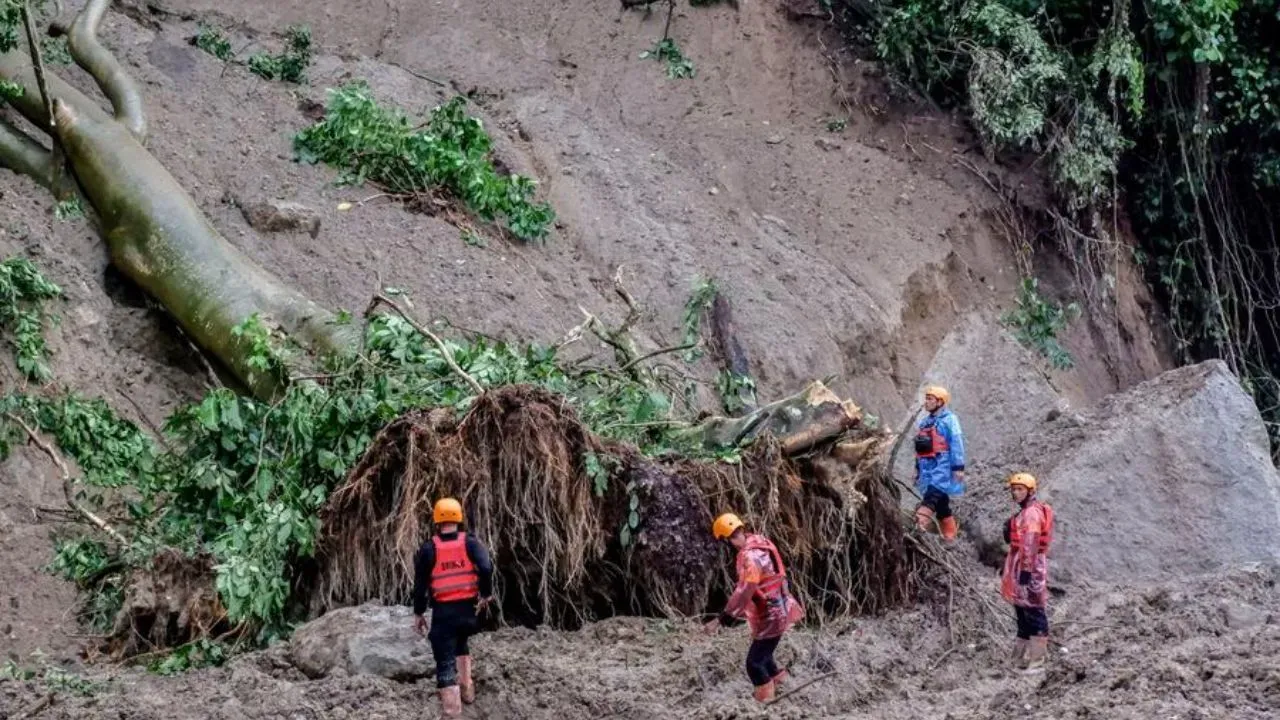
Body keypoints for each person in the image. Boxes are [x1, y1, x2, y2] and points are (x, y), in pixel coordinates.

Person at [703, 512, 804, 703]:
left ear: (726, 539)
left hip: (771, 614)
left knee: (754, 663)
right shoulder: (760, 542)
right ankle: (787, 693)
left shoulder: (749, 558)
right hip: (780, 608)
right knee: (765, 658)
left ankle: (764, 704)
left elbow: (744, 591)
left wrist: (721, 619)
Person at [412, 497, 495, 717]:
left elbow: (420, 586)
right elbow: (486, 567)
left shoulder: (429, 549)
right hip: (468, 614)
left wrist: (419, 613)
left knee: (444, 661)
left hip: (444, 614)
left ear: (437, 521)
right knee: (461, 642)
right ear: (459, 518)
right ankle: (467, 690)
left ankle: (452, 712)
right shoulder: (470, 542)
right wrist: (485, 594)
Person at [1000, 472, 1054, 674]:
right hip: (1019, 565)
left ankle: (1037, 660)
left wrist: (1026, 571)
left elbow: (1030, 543)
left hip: (1029, 568)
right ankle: (1018, 659)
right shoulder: (1024, 513)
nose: (1015, 493)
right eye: (1014, 489)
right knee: (1022, 612)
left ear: (1030, 491)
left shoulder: (1031, 513)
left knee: (1033, 612)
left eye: (1020, 489)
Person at [913, 384, 966, 544]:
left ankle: (919, 526)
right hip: (926, 466)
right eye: (926, 399)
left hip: (942, 466)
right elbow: (919, 448)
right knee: (942, 504)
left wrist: (958, 467)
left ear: (940, 402)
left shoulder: (950, 420)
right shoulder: (924, 423)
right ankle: (950, 537)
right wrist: (916, 469)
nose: (926, 402)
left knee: (932, 497)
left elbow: (956, 442)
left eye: (930, 399)